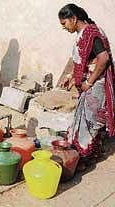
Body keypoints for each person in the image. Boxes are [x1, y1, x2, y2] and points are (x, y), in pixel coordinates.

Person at [58, 4, 115, 166]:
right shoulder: (83, 34)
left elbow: (103, 58)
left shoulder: (91, 33)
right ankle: (91, 153)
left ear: (74, 19)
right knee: (84, 120)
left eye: (64, 23)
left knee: (89, 123)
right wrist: (70, 76)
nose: (63, 27)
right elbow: (85, 60)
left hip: (96, 84)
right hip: (89, 84)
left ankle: (84, 157)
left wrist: (89, 83)